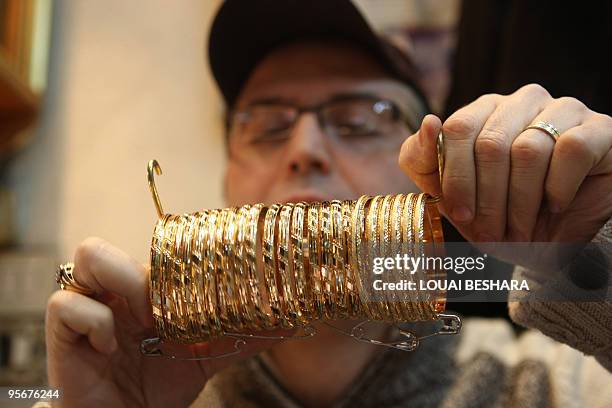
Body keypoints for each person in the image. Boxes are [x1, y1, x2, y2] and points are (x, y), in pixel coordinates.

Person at [43, 1, 612, 407]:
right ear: (229, 177)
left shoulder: (556, 383)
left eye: (359, 121)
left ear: (432, 171)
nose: (304, 149)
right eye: (267, 126)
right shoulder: (138, 387)